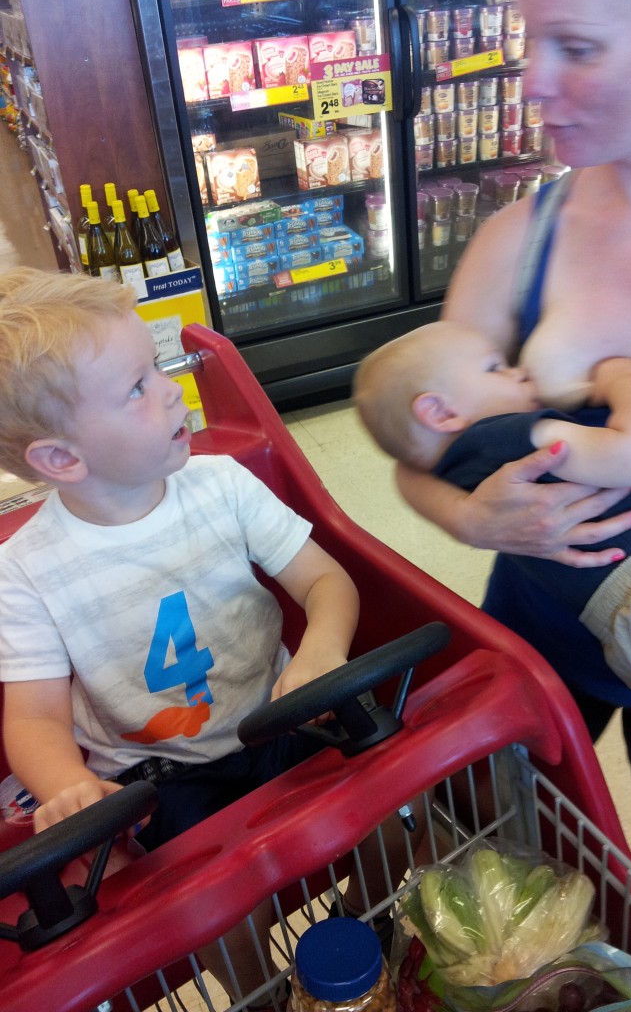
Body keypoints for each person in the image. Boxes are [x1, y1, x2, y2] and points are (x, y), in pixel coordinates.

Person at [394, 0, 631, 932]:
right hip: (534, 640)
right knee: (494, 866)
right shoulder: (519, 240)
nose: (532, 83)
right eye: (529, 40)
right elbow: (417, 449)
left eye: (578, 46)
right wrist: (472, 518)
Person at [0, 267, 382, 1007]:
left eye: (159, 366)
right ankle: (262, 993)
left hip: (280, 713)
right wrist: (70, 788)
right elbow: (34, 718)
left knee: (387, 820)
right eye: (139, 385)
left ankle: (367, 938)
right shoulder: (24, 571)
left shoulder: (223, 486)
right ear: (61, 459)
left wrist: (321, 653)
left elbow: (326, 583)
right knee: (210, 910)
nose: (174, 390)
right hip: (158, 776)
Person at [355, 319, 631, 853]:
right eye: (496, 367)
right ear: (440, 412)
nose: (519, 370)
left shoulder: (461, 457)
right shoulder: (515, 433)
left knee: (517, 812)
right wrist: (626, 380)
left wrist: (621, 378)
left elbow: (411, 456)